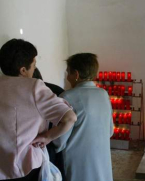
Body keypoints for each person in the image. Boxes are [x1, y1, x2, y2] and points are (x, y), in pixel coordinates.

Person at [0, 39, 76, 181]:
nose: (34, 69)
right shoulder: (33, 87)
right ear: (23, 70)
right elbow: (70, 118)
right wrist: (48, 137)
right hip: (25, 166)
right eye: (34, 65)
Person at [53, 53, 113, 181]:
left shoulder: (67, 97)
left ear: (76, 74)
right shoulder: (103, 94)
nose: (67, 76)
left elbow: (60, 140)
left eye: (68, 72)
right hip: (101, 156)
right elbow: (110, 131)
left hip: (78, 159)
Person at [32, 68, 66, 181]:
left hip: (39, 142)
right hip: (54, 140)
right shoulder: (58, 90)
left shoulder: (29, 92)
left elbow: (70, 118)